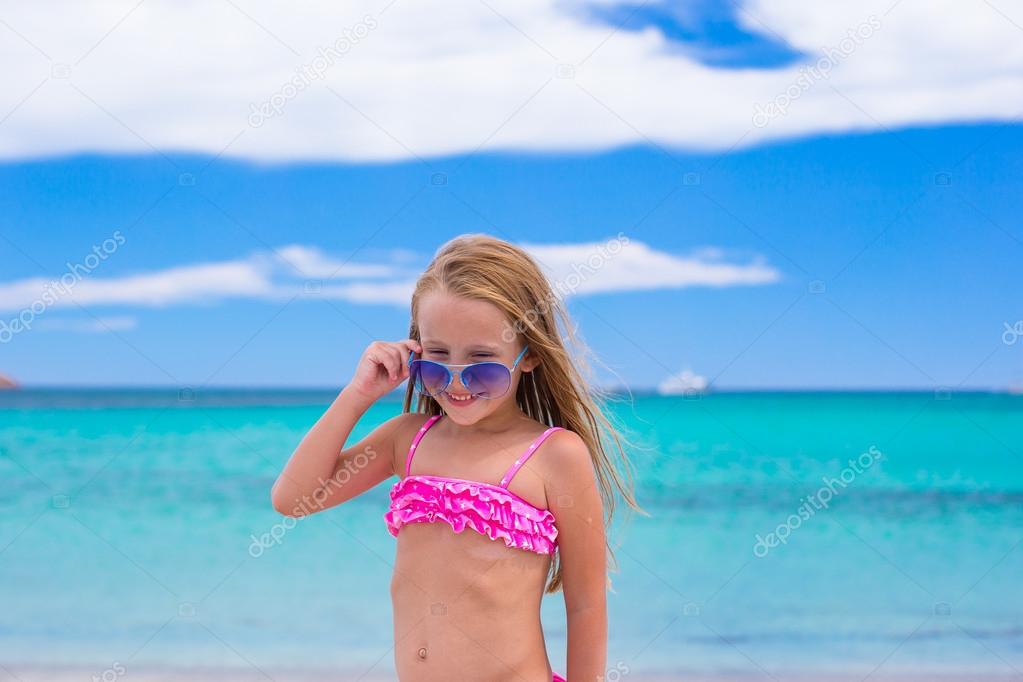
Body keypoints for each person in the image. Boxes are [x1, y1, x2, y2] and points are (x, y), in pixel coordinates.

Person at [271, 234, 641, 681]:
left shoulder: (554, 455)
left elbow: (585, 605)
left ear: (529, 357)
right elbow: (293, 499)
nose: (457, 382)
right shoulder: (406, 440)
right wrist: (358, 394)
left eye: (482, 361)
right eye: (437, 359)